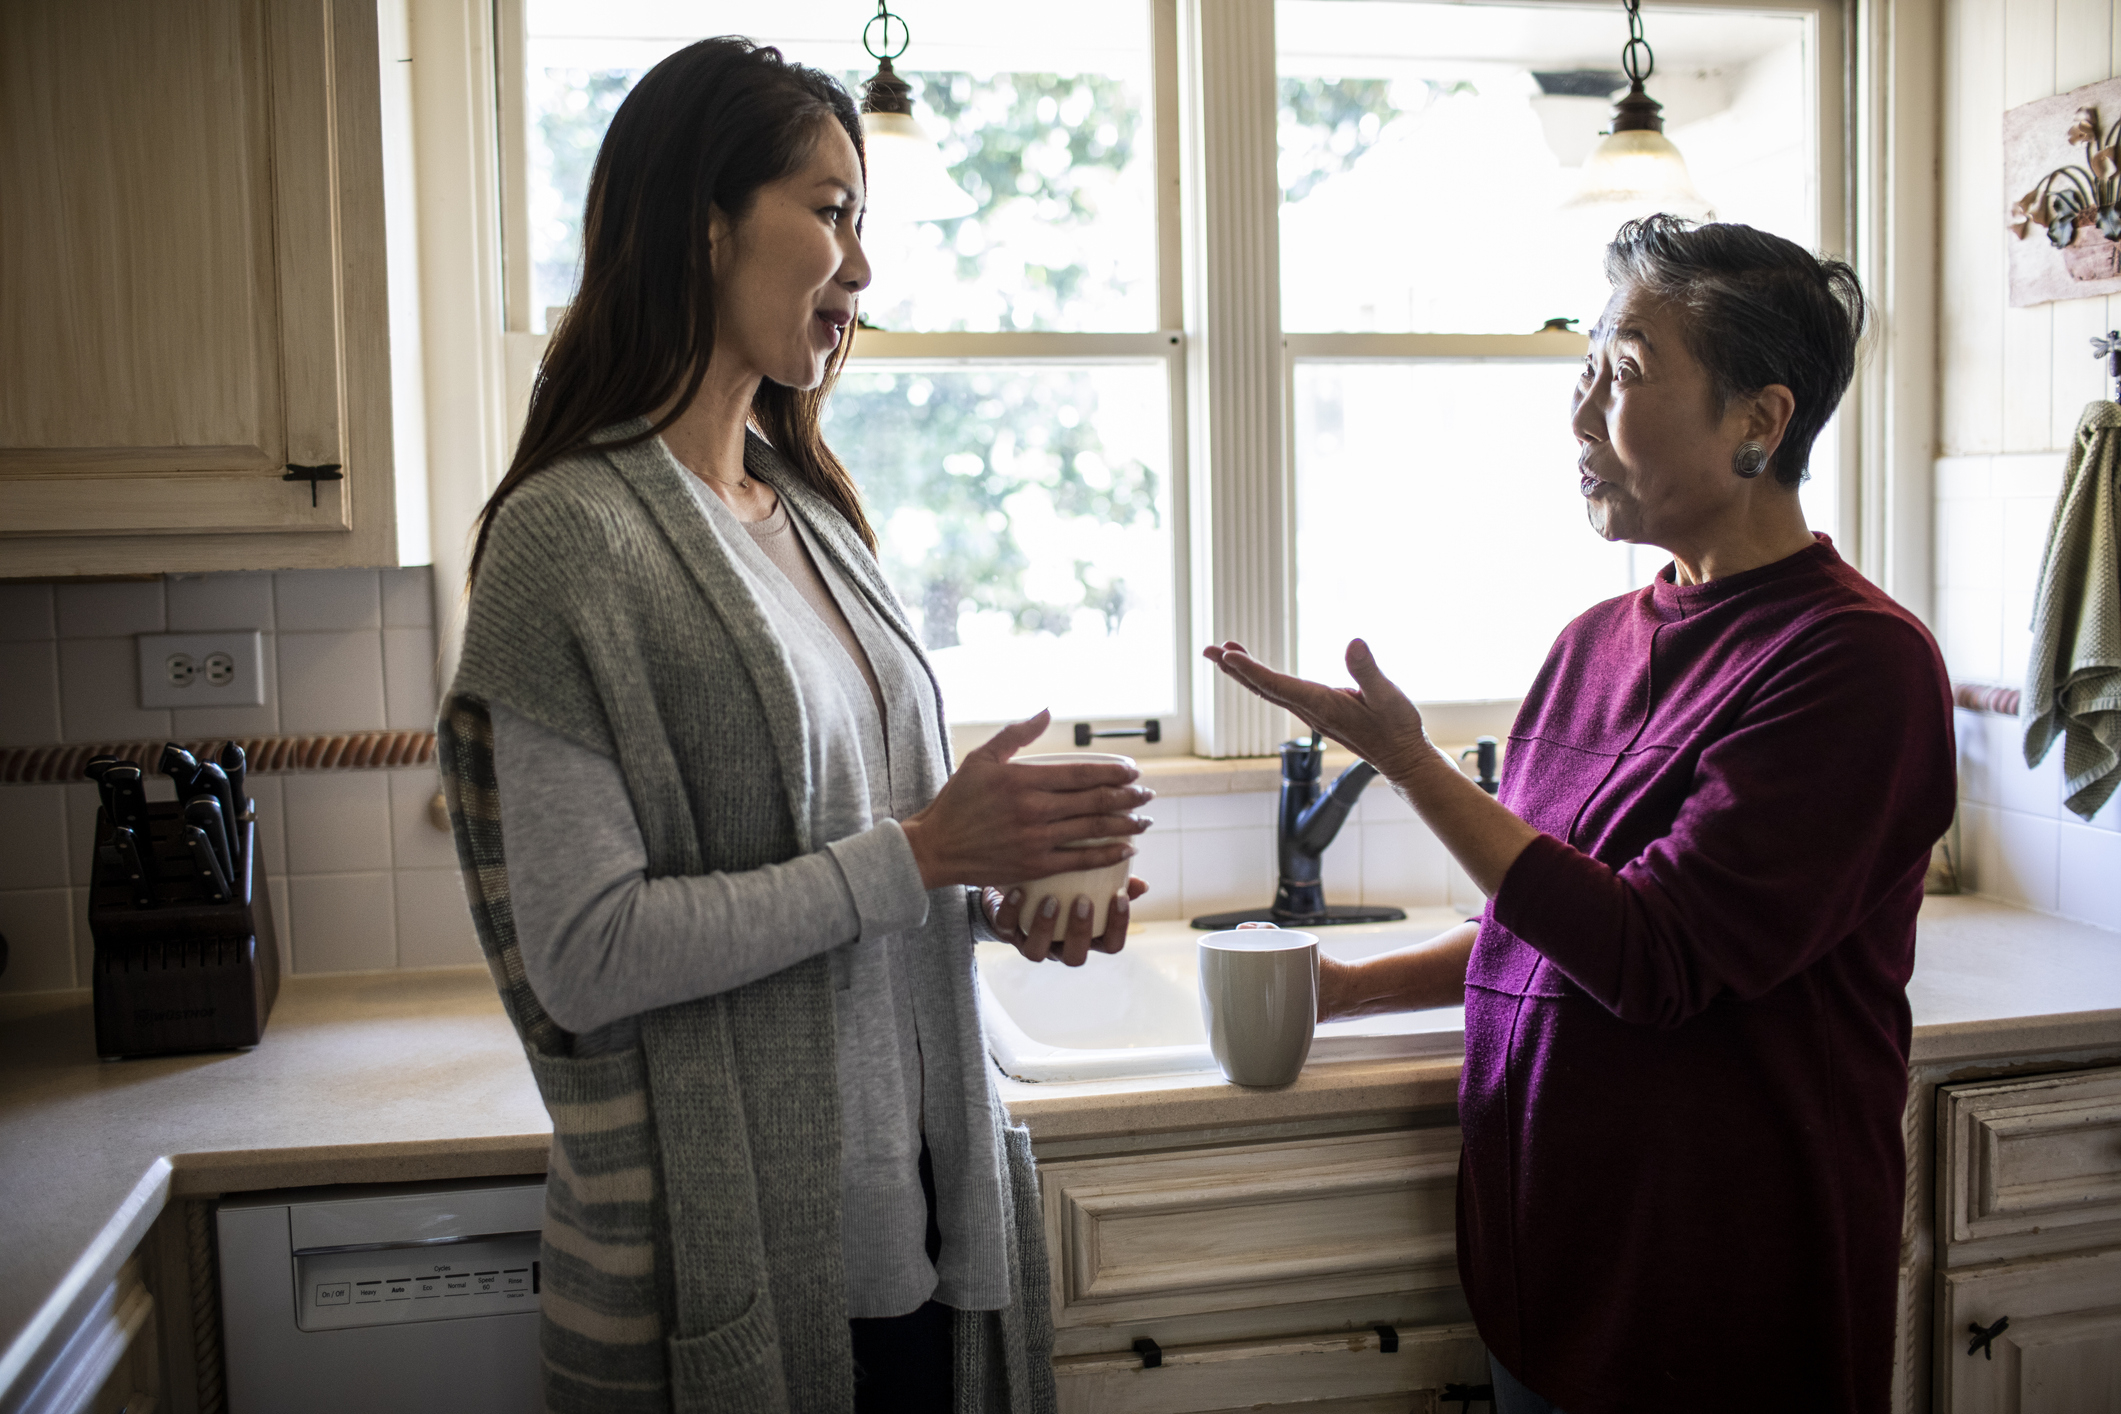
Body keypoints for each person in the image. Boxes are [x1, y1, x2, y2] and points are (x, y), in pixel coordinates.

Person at [437, 38, 1152, 1413]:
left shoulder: (811, 513)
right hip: (759, 1252)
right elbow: (586, 955)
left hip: (930, 1221)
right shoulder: (565, 541)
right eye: (831, 213)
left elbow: (877, 865)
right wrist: (925, 855)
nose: (863, 271)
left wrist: (1007, 897)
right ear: (702, 221)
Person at [1205, 218, 1953, 1413]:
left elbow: (1652, 954)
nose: (1581, 414)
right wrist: (1349, 988)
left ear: (1760, 423)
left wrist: (1410, 762)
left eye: (1628, 371)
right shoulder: (1592, 643)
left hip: (1723, 1295)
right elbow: (1548, 919)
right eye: (1587, 365)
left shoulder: (1857, 663)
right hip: (1549, 1274)